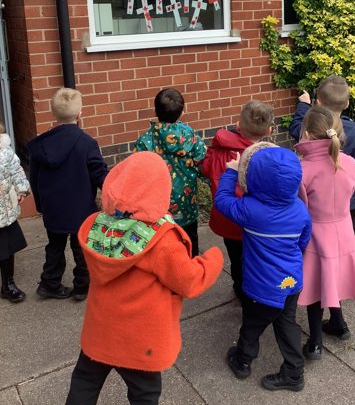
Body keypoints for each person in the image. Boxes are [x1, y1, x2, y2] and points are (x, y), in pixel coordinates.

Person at [65, 151, 223, 405]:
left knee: (85, 380)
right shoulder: (162, 241)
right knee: (145, 394)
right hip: (141, 338)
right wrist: (213, 259)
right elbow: (189, 281)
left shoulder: (97, 226)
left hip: (101, 329)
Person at [215, 142, 312, 392]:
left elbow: (222, 201)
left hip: (261, 287)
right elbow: (303, 241)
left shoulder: (249, 210)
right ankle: (294, 373)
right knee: (287, 323)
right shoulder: (300, 209)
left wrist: (231, 172)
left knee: (253, 324)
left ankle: (243, 361)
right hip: (291, 282)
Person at [296, 106, 355, 359]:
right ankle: (339, 324)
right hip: (343, 229)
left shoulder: (303, 170)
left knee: (317, 288)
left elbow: (301, 207)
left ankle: (315, 342)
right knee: (333, 278)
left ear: (306, 133)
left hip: (316, 235)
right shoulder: (349, 163)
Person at [28, 88, 108, 300]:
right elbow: (100, 175)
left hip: (53, 207)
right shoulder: (87, 143)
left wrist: (40, 205)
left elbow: (34, 179)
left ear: (53, 114)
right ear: (80, 113)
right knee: (81, 247)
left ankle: (49, 282)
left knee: (54, 245)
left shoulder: (41, 145)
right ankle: (82, 286)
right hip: (80, 208)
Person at [202, 100, 274, 301]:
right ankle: (257, 291)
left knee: (236, 258)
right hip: (255, 221)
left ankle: (241, 290)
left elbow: (206, 169)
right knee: (257, 258)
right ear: (269, 130)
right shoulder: (266, 156)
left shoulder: (219, 148)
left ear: (238, 125)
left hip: (227, 218)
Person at [289, 75, 355, 231]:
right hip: (346, 204)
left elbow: (296, 127)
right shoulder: (352, 132)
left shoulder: (309, 128)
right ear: (347, 104)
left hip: (316, 206)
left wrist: (304, 105)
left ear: (318, 103)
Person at [135, 88, 205, 256]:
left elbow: (138, 172)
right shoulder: (191, 136)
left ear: (155, 111)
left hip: (159, 207)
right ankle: (190, 273)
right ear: (182, 112)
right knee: (189, 241)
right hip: (186, 204)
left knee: (161, 242)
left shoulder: (146, 140)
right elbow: (203, 161)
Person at [0, 123, 30, 303]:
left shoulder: (5, 150)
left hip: (5, 209)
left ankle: (8, 284)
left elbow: (16, 171)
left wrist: (21, 189)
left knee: (6, 247)